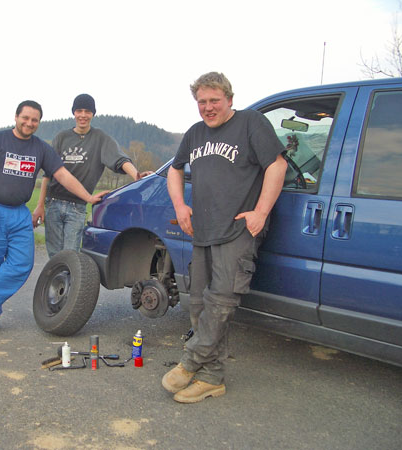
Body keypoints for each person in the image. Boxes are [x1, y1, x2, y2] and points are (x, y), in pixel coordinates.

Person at [162, 72, 287, 403]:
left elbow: (277, 165)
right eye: (201, 102)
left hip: (237, 229)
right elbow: (175, 169)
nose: (208, 107)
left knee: (221, 302)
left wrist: (260, 212)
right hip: (202, 230)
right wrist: (181, 205)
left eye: (214, 100)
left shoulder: (250, 124)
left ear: (229, 99)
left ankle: (190, 362)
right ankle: (212, 377)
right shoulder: (195, 133)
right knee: (200, 302)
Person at [0, 100, 107, 336]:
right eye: (26, 118)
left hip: (19, 213)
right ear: (16, 117)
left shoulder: (40, 149)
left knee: (22, 263)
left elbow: (62, 175)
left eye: (34, 120)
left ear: (39, 123)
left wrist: (88, 197)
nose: (29, 123)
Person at [32, 93, 151, 257]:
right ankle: (56, 283)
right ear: (73, 112)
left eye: (87, 111)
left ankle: (70, 284)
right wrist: (40, 205)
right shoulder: (61, 138)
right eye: (79, 110)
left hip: (77, 207)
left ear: (93, 114)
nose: (83, 115)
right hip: (53, 203)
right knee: (54, 256)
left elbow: (119, 159)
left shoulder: (100, 139)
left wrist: (136, 175)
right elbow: (47, 174)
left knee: (70, 256)